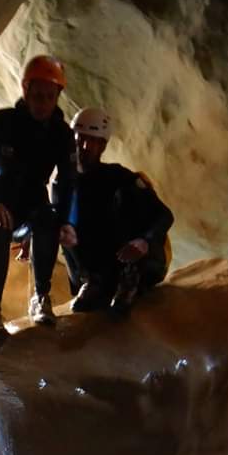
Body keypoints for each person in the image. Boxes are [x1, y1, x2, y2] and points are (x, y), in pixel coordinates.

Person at [0, 54, 78, 338]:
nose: (42, 103)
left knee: (49, 217)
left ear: (58, 95)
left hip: (28, 207)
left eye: (49, 96)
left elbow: (68, 180)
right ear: (25, 90)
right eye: (37, 95)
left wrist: (66, 221)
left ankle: (41, 298)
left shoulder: (61, 133)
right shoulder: (3, 122)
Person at [57, 107, 173, 317]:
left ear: (102, 146)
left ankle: (130, 280)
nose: (85, 146)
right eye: (81, 138)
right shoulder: (63, 183)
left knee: (124, 197)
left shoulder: (119, 177)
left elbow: (164, 215)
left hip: (139, 259)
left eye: (93, 141)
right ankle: (94, 282)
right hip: (94, 269)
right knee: (60, 222)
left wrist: (144, 241)